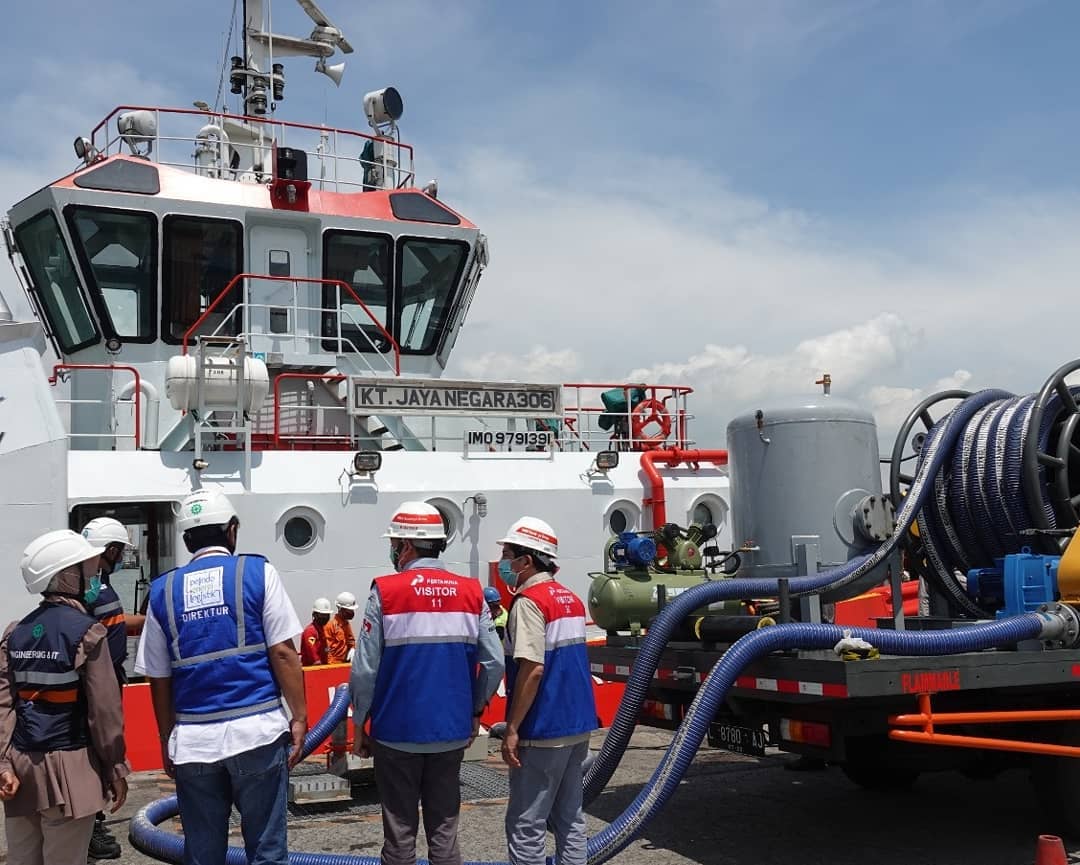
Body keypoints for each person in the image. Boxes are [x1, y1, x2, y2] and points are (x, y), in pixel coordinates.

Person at [135, 489, 307, 865]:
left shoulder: (163, 590)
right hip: (257, 732)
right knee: (266, 851)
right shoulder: (257, 572)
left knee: (202, 853)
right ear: (232, 531)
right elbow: (282, 652)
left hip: (194, 742)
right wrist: (300, 716)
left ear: (186, 540)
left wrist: (167, 738)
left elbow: (159, 678)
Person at [350, 501, 504, 865]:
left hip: (395, 733)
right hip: (451, 732)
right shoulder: (471, 592)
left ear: (404, 546)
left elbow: (365, 668)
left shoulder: (386, 591)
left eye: (394, 544)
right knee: (444, 832)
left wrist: (359, 725)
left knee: (399, 835)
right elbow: (495, 662)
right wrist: (475, 711)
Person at [0, 530, 129, 865]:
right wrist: (115, 767)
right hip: (72, 768)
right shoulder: (88, 632)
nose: (92, 578)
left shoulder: (15, 632)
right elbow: (104, 714)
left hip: (20, 767)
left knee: (22, 858)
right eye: (86, 570)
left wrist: (3, 764)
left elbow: (4, 704)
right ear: (66, 576)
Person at [498, 516, 596, 865]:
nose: (504, 563)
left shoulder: (529, 602)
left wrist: (512, 727)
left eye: (509, 554)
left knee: (526, 824)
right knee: (570, 819)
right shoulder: (569, 598)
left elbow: (533, 668)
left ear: (527, 560)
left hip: (542, 728)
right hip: (577, 725)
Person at [80, 516, 142, 859]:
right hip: (98, 687)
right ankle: (93, 825)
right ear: (112, 550)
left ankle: (92, 820)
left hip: (93, 685)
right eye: (120, 552)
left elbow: (111, 620)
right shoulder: (98, 591)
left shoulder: (87, 586)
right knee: (98, 752)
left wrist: (145, 620)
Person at [325, 591, 357, 663]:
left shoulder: (346, 624)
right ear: (340, 609)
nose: (351, 612)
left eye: (352, 610)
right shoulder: (330, 626)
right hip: (333, 664)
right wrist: (331, 665)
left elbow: (351, 640)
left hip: (345, 664)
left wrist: (352, 648)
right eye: (349, 610)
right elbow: (327, 649)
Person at [301, 597, 333, 666]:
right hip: (312, 670)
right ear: (315, 615)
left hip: (322, 667)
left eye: (327, 615)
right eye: (322, 615)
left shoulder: (322, 630)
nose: (325, 617)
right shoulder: (310, 632)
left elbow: (326, 650)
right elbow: (314, 658)